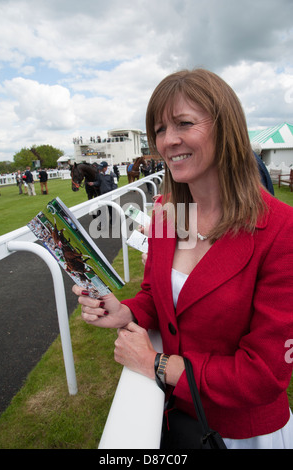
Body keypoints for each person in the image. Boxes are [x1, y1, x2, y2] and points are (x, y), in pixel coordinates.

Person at [72, 69, 293, 449]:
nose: (168, 141)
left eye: (184, 124)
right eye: (159, 129)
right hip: (176, 419)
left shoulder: (281, 229)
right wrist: (124, 312)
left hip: (243, 434)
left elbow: (262, 375)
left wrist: (156, 364)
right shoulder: (166, 213)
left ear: (227, 129)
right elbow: (156, 298)